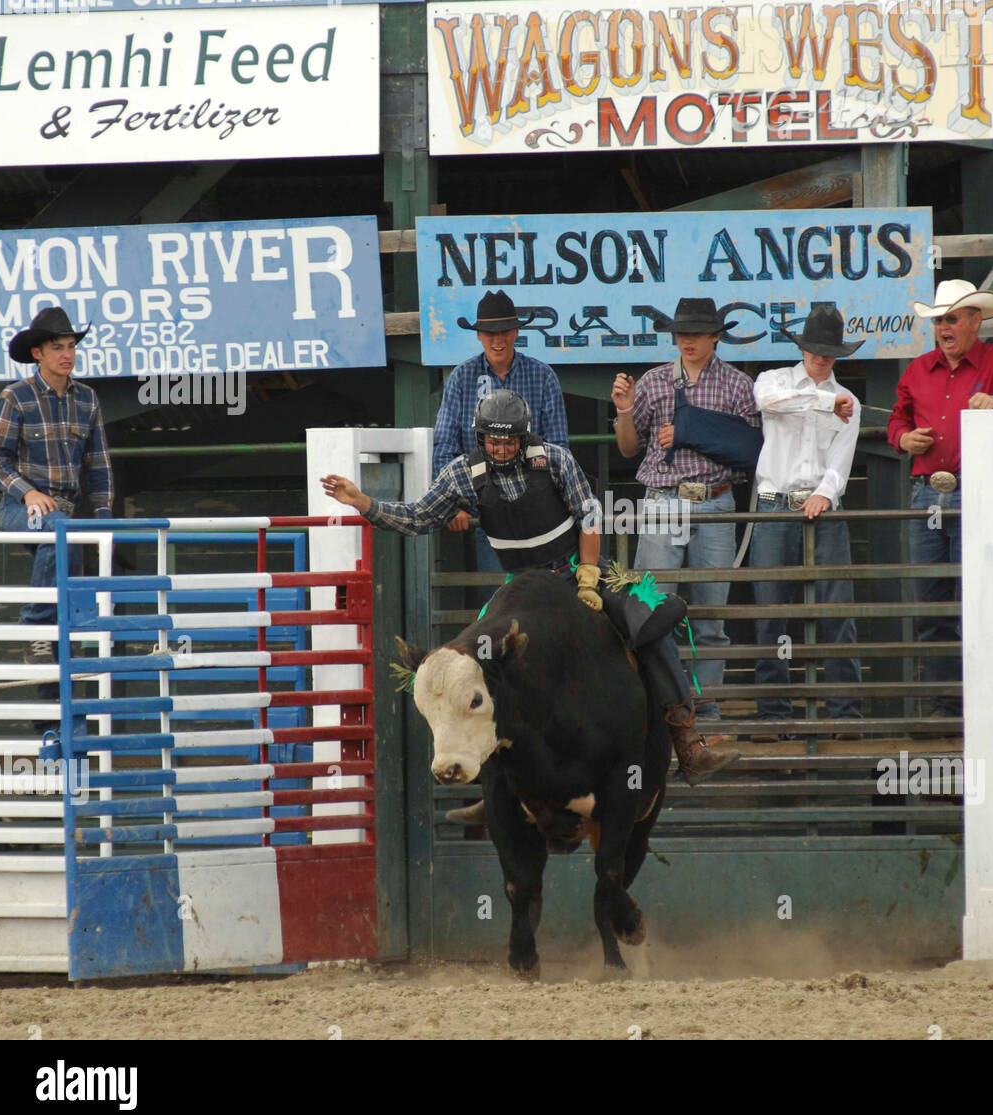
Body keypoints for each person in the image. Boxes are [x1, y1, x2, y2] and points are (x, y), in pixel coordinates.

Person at [322, 389, 740, 800]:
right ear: (480, 438)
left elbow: (589, 512)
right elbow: (419, 516)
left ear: (523, 438)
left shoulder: (555, 459)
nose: (501, 448)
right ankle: (497, 788)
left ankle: (687, 741)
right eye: (493, 440)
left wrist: (589, 578)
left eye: (508, 440)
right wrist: (363, 502)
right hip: (518, 589)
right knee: (481, 663)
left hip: (574, 573)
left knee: (649, 621)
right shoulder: (461, 475)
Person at [886, 279, 993, 716]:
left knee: (980, 597)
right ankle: (946, 703)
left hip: (979, 490)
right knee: (933, 600)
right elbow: (897, 419)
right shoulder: (917, 370)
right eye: (938, 321)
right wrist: (903, 438)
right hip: (930, 491)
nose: (943, 328)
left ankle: (984, 702)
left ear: (974, 321)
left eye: (951, 319)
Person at [611, 296, 761, 726]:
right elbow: (627, 448)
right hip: (665, 499)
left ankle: (705, 711)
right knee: (650, 611)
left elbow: (751, 449)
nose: (688, 340)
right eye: (682, 333)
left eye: (697, 332)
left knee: (711, 617)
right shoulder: (653, 381)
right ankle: (656, 706)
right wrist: (624, 409)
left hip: (715, 499)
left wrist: (691, 431)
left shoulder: (737, 385)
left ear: (716, 336)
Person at [0, 307, 114, 731]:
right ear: (38, 353)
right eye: (58, 347)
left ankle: (56, 726)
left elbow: (98, 465)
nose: (67, 354)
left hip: (68, 515)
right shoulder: (14, 396)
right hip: (19, 505)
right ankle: (34, 627)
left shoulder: (87, 398)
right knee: (55, 530)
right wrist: (30, 493)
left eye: (71, 346)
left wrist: (103, 519)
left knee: (69, 613)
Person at [749, 304, 863, 740]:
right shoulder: (773, 380)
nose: (821, 358)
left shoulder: (849, 402)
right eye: (815, 350)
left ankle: (845, 717)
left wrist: (823, 493)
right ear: (802, 349)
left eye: (829, 352)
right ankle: (774, 717)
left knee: (837, 612)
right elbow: (765, 402)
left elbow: (841, 462)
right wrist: (823, 400)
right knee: (771, 614)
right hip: (774, 503)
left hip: (819, 507)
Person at [432, 289, 569, 581]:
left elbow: (558, 447)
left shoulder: (543, 376)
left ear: (516, 332)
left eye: (504, 331)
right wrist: (453, 502)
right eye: (489, 332)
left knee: (544, 599)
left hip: (538, 505)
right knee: (498, 601)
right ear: (479, 335)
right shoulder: (461, 378)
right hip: (487, 506)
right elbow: (445, 444)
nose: (498, 339)